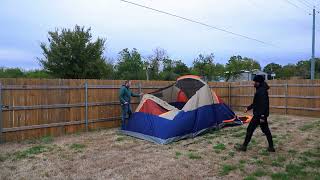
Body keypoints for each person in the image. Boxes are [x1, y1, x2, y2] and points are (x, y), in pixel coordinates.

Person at [236, 75, 275, 152]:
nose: (254, 83)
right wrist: (248, 108)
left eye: (255, 82)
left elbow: (264, 105)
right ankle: (271, 147)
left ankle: (244, 147)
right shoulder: (260, 90)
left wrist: (262, 117)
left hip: (259, 115)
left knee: (250, 129)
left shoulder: (262, 91)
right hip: (260, 115)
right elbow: (256, 103)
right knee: (266, 131)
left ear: (259, 82)